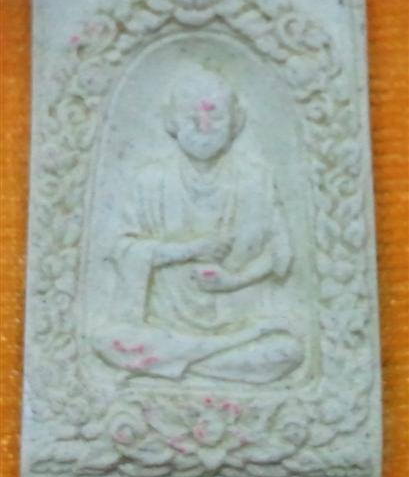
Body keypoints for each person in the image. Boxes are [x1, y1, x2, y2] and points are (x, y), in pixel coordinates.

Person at [93, 64, 303, 384]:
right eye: (192, 118)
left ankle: (171, 363)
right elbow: (122, 249)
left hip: (238, 320)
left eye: (215, 118)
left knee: (287, 352)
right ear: (171, 121)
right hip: (163, 324)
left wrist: (233, 281)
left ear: (236, 122)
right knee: (105, 341)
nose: (204, 127)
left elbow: (280, 257)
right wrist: (189, 250)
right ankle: (200, 358)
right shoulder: (150, 180)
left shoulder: (256, 180)